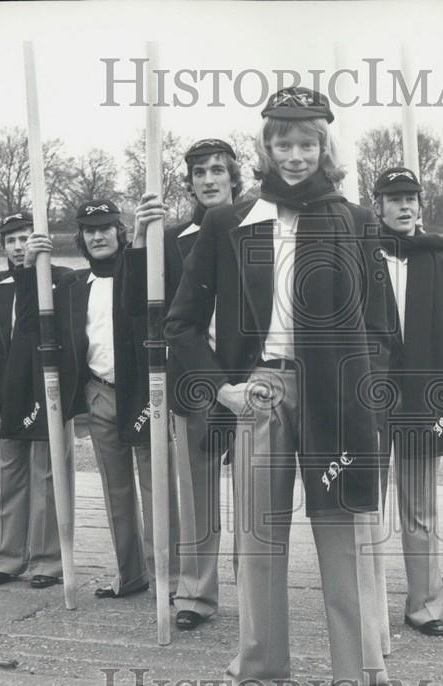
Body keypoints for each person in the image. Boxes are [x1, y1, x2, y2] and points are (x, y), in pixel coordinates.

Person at [165, 87, 395, 686]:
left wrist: (366, 396)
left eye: (307, 144)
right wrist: (224, 388)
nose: (295, 156)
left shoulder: (354, 220)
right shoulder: (227, 223)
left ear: (325, 147)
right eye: (283, 144)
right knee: (259, 541)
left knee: (346, 538)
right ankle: (256, 679)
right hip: (260, 393)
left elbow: (382, 328)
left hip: (337, 398)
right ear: (265, 148)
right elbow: (181, 324)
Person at [52, 199, 179, 600]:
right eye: (90, 230)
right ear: (81, 238)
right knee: (116, 489)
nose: (98, 236)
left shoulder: (139, 270)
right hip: (99, 392)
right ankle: (131, 574)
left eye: (105, 228)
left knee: (157, 486)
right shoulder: (74, 285)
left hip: (142, 392)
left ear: (118, 232)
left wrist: (142, 237)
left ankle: (170, 579)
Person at [370, 166, 443, 637]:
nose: (404, 206)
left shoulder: (441, 258)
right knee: (366, 505)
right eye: (395, 199)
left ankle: (425, 606)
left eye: (411, 198)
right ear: (378, 206)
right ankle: (367, 606)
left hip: (421, 399)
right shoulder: (360, 252)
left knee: (419, 508)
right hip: (370, 396)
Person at [156, 138, 243, 631]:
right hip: (195, 379)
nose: (209, 180)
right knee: (196, 493)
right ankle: (196, 593)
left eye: (217, 170)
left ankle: (255, 590)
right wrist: (139, 240)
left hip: (250, 379)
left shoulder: (259, 228)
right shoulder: (172, 240)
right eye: (199, 173)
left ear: (233, 176)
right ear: (189, 183)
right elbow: (156, 314)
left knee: (254, 493)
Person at [0, 211, 72, 589]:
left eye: (25, 237)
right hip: (9, 390)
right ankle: (8, 555)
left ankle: (47, 560)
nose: (18, 246)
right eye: (11, 240)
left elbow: (49, 328)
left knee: (47, 475)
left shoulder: (62, 279)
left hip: (46, 391)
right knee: (9, 474)